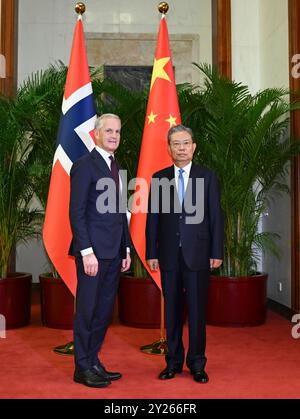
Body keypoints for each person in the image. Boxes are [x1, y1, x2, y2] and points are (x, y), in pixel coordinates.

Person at [146, 124, 224, 383]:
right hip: (168, 254)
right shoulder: (159, 178)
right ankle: (174, 362)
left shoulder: (207, 176)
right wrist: (151, 251)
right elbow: (153, 219)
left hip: (199, 253)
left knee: (198, 311)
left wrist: (216, 251)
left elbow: (215, 217)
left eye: (185, 143)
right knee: (173, 312)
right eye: (176, 144)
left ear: (194, 146)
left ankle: (197, 363)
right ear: (169, 148)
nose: (181, 148)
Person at [69, 113, 131, 388]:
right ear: (96, 134)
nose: (114, 136)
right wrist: (86, 252)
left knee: (104, 312)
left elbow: (121, 214)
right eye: (109, 131)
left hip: (114, 253)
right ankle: (82, 367)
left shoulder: (116, 165)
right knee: (87, 311)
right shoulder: (85, 166)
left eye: (117, 131)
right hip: (92, 255)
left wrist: (126, 248)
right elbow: (77, 213)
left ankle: (93, 360)